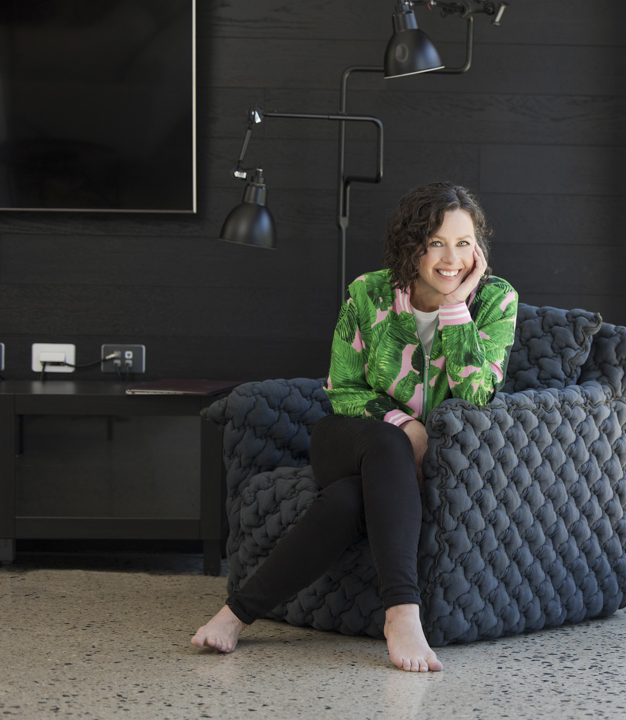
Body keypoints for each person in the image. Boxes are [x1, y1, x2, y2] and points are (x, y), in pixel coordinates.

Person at [192, 183, 519, 672]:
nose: (452, 257)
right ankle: (403, 614)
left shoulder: (496, 300)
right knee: (388, 444)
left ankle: (235, 614)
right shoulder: (369, 293)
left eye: (464, 242)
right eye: (435, 242)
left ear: (478, 249)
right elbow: (342, 388)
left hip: (424, 463)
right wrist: (406, 426)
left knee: (347, 501)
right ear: (412, 246)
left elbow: (476, 396)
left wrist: (456, 307)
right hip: (349, 437)